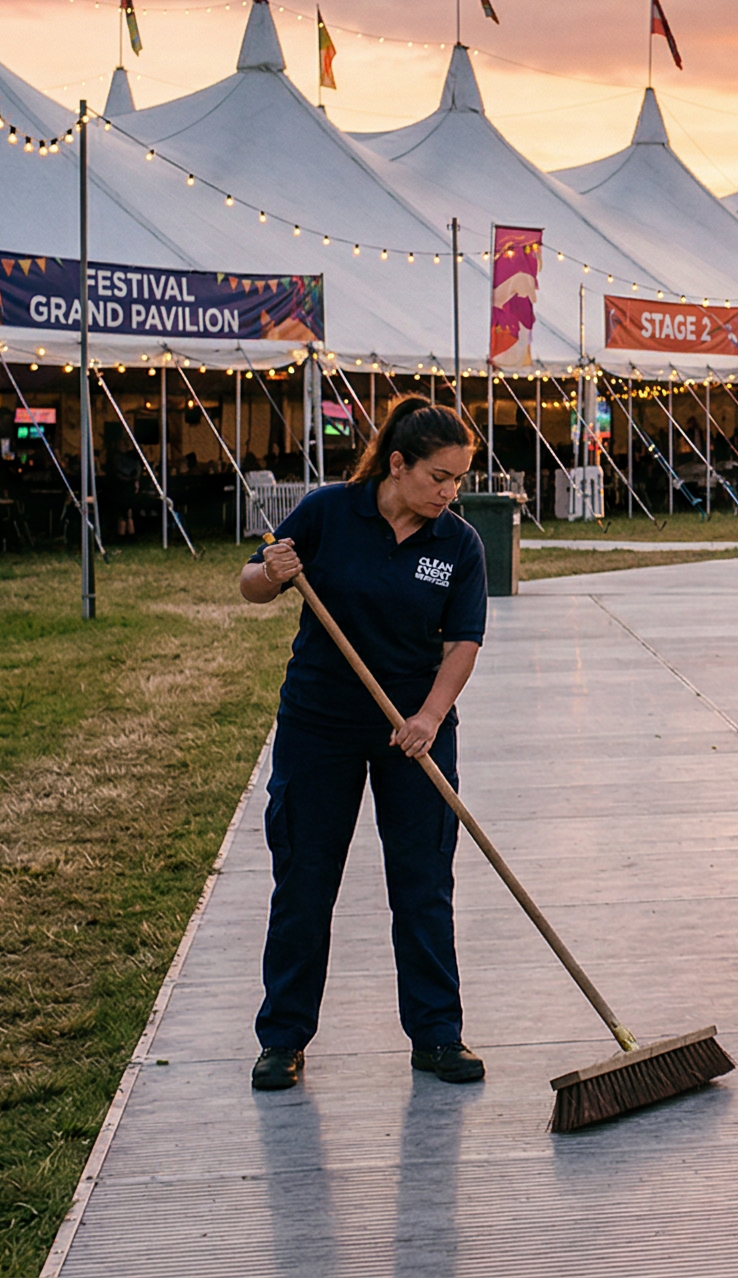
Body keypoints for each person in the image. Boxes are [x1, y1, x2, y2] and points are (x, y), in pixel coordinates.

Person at [238, 395, 489, 1092]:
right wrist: (274, 573)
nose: (449, 492)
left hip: (415, 731)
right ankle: (283, 1038)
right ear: (398, 464)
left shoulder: (458, 544)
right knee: (306, 879)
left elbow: (465, 640)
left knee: (422, 882)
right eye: (439, 476)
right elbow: (252, 582)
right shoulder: (328, 512)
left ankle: (437, 1034)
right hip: (321, 723)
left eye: (460, 479)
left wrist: (431, 718)